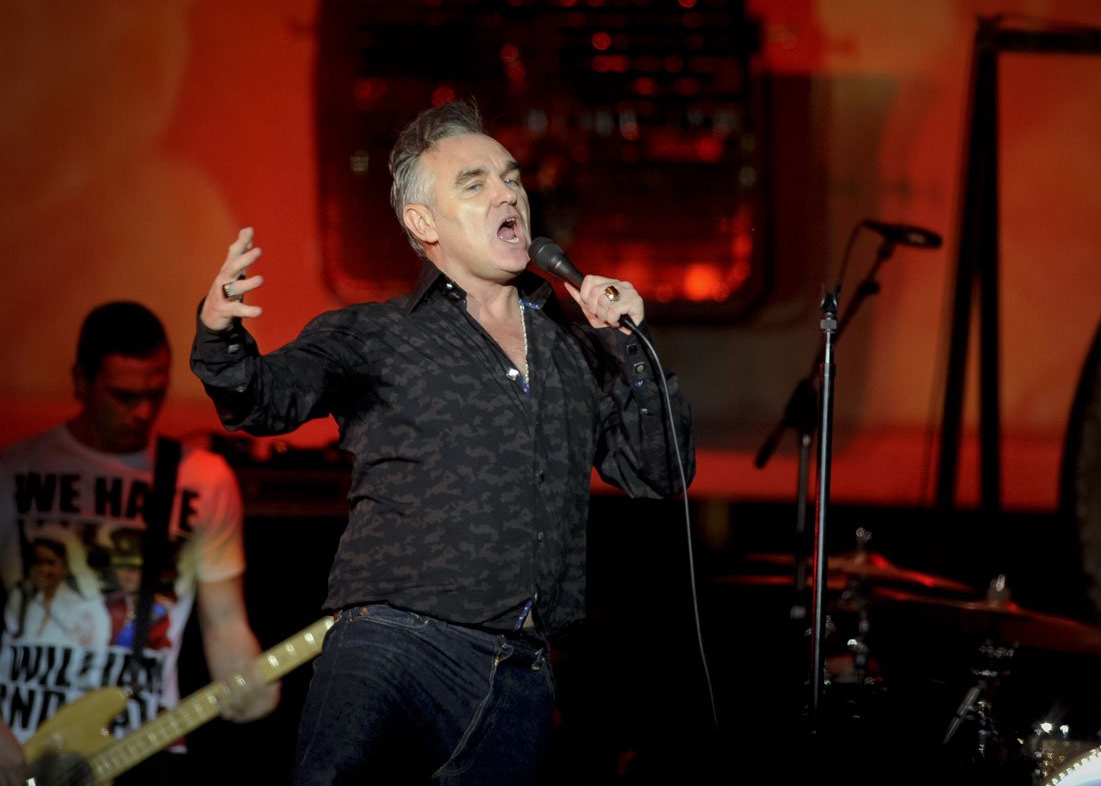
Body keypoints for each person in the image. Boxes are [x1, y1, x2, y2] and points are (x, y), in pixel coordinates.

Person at [189, 99, 694, 785]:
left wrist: (630, 345)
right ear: (423, 223)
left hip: (520, 671)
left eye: (510, 178)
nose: (506, 193)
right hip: (393, 646)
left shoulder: (576, 348)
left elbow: (660, 471)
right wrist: (220, 333)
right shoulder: (376, 334)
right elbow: (262, 397)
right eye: (474, 183)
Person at [0, 301, 279, 786]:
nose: (144, 412)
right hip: (21, 743)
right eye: (124, 396)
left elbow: (225, 621)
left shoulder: (202, 479)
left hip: (143, 746)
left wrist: (247, 678)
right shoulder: (14, 472)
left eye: (156, 393)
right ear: (81, 381)